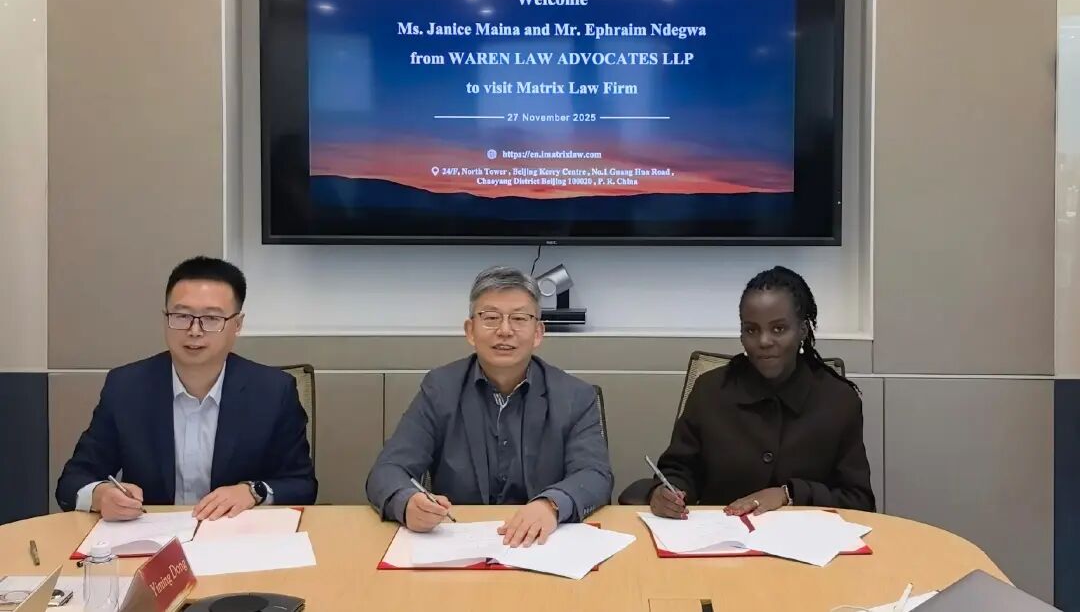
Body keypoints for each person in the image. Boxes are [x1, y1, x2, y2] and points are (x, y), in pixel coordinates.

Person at [366, 266, 613, 547]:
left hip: (542, 544)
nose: (505, 331)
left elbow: (595, 475)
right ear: (470, 331)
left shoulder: (575, 396)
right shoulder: (440, 389)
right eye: (491, 318)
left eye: (519, 318)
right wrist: (406, 501)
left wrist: (551, 505)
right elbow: (387, 470)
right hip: (458, 543)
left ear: (538, 333)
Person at [56, 256, 317, 520]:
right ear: (165, 318)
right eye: (181, 316)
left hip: (235, 534)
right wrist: (100, 495)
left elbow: (302, 485)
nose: (194, 330)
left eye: (211, 318)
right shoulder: (126, 388)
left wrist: (253, 491)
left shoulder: (273, 391)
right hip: (151, 536)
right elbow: (72, 481)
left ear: (237, 325)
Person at [648, 266, 874, 519]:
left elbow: (859, 501)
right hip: (721, 536)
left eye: (778, 329)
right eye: (751, 330)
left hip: (805, 539)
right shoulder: (710, 390)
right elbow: (679, 470)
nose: (764, 341)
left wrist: (789, 494)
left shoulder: (838, 400)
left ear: (802, 330)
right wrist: (666, 493)